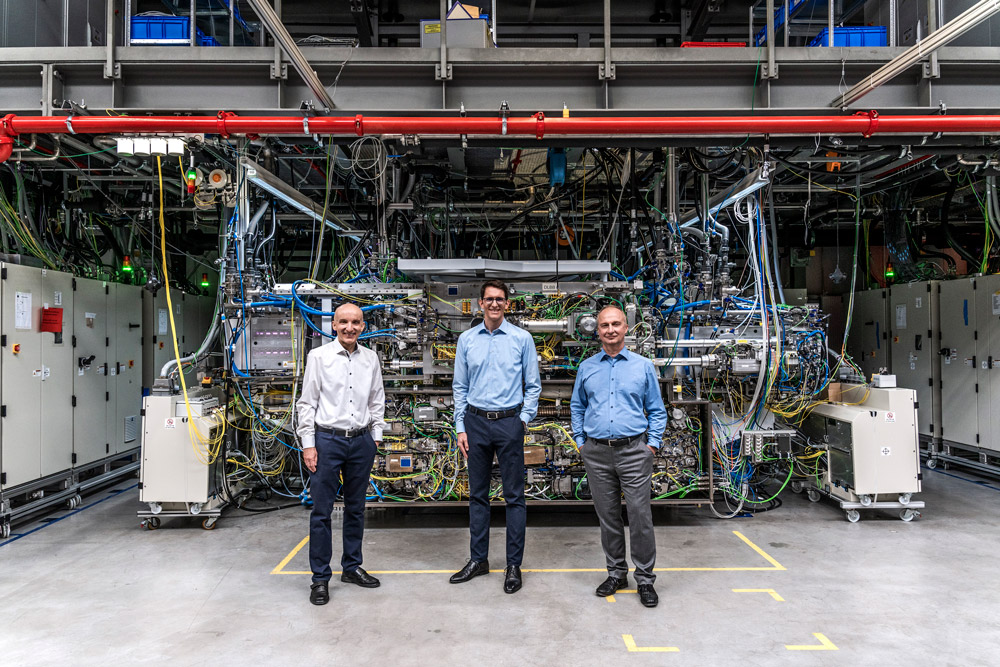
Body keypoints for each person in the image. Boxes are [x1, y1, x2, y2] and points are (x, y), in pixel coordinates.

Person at [570, 305, 667, 608]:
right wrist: (581, 443)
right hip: (597, 453)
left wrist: (651, 445)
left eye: (615, 324)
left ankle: (645, 580)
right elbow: (577, 407)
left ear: (626, 328)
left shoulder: (642, 366)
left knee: (640, 516)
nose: (610, 330)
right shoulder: (587, 367)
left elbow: (656, 409)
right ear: (596, 331)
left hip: (634, 451)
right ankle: (616, 573)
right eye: (604, 325)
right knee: (608, 517)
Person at [450, 279, 542, 594]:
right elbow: (459, 387)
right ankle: (479, 560)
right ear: (480, 303)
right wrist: (460, 425)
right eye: (489, 299)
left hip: (508, 423)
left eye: (499, 299)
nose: (494, 304)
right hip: (475, 422)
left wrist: (523, 420)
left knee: (514, 497)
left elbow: (533, 385)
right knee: (478, 495)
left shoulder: (522, 338)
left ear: (507, 304)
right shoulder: (467, 339)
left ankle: (513, 565)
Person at [296, 302, 386, 606]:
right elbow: (307, 403)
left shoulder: (370, 359)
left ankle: (351, 567)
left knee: (356, 508)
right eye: (344, 322)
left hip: (361, 442)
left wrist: (376, 438)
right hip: (327, 441)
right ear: (334, 325)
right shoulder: (318, 357)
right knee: (322, 512)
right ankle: (320, 578)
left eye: (356, 322)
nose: (350, 327)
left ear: (363, 327)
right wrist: (309, 444)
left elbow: (377, 400)